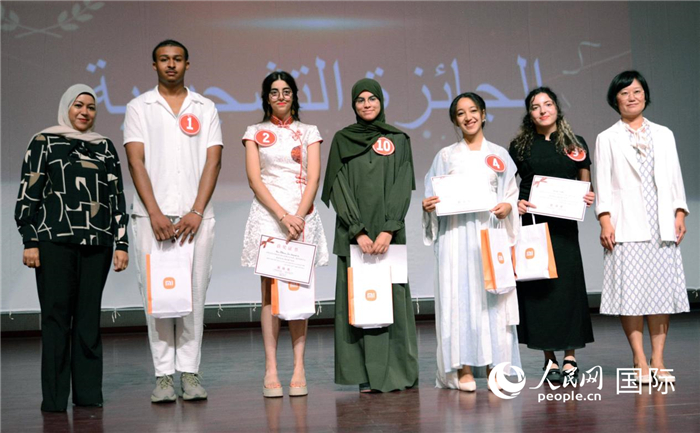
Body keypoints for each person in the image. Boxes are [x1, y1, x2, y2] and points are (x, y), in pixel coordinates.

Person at [15, 84, 129, 412]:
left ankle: (88, 395)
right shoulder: (44, 141)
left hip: (97, 244)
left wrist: (121, 243)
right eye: (78, 105)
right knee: (56, 320)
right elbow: (29, 193)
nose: (84, 112)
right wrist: (30, 239)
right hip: (53, 242)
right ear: (67, 107)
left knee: (88, 320)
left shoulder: (104, 146)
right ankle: (53, 400)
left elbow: (116, 197)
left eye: (91, 107)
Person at [124, 40, 223, 402]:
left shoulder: (205, 107)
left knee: (193, 296)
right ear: (154, 65)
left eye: (177, 59)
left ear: (187, 64)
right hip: (151, 218)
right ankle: (164, 376)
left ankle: (190, 373)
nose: (171, 65)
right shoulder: (139, 107)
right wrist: (154, 212)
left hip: (197, 219)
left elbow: (213, 160)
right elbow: (135, 160)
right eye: (164, 59)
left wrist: (196, 210)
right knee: (158, 297)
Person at [321, 78, 419, 393]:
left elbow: (403, 182)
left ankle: (398, 372)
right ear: (353, 105)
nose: (366, 104)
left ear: (381, 101)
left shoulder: (399, 139)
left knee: (392, 301)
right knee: (359, 303)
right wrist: (357, 230)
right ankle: (364, 374)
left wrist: (389, 228)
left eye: (372, 98)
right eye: (360, 100)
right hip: (355, 237)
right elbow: (337, 185)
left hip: (390, 235)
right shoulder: (342, 140)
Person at [422, 93, 521, 392]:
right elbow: (431, 193)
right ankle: (462, 367)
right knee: (459, 297)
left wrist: (508, 206)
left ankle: (495, 365)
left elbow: (511, 192)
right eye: (461, 113)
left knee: (491, 300)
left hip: (489, 233)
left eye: (473, 110)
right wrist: (429, 205)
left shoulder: (499, 155)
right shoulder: (445, 156)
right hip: (455, 237)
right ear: (455, 120)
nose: (468, 117)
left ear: (484, 114)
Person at [595, 70, 688, 384]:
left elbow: (674, 177)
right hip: (626, 224)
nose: (631, 97)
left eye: (636, 91)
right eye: (624, 93)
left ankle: (658, 359)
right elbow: (603, 183)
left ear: (645, 95)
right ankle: (638, 358)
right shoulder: (607, 137)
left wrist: (679, 213)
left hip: (661, 222)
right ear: (615, 100)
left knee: (661, 294)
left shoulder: (663, 134)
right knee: (631, 295)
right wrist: (605, 220)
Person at [241, 71, 329, 397]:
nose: (281, 96)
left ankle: (299, 367)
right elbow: (255, 179)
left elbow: (314, 178)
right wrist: (282, 215)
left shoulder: (309, 131)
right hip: (269, 216)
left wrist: (299, 216)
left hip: (302, 215)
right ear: (266, 97)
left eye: (286, 91)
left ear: (294, 96)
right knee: (270, 294)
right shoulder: (254, 131)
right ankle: (271, 368)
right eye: (274, 91)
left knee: (299, 291)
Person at [508, 87, 595, 382]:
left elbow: (584, 179)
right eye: (536, 106)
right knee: (539, 288)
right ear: (529, 113)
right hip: (533, 224)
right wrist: (516, 203)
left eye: (547, 104)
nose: (542, 110)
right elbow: (508, 185)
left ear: (557, 108)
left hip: (564, 227)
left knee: (568, 288)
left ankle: (570, 357)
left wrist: (587, 194)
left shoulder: (575, 143)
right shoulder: (519, 146)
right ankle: (548, 358)